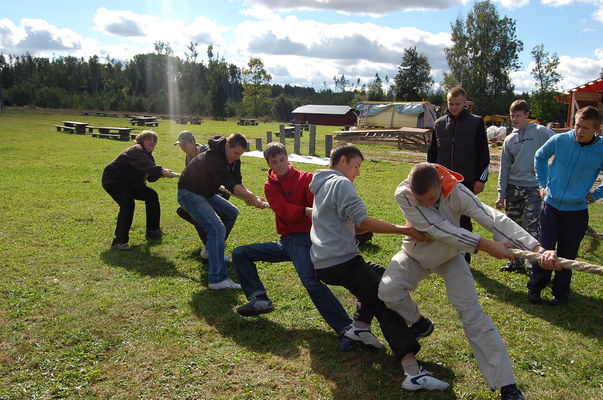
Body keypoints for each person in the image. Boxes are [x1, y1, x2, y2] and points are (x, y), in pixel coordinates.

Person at [379, 162, 551, 400]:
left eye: (431, 198)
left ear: (440, 184)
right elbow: (438, 228)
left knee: (473, 315)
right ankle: (419, 323)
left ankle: (507, 386)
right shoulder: (405, 194)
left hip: (451, 258)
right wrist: (487, 245)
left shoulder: (457, 191)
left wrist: (536, 247)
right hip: (415, 255)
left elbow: (492, 217)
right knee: (388, 290)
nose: (427, 204)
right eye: (423, 201)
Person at [309, 143, 449, 392]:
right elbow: (362, 222)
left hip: (324, 261)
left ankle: (360, 328)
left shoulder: (321, 184)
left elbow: (355, 226)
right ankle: (412, 372)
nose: (357, 173)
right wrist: (405, 229)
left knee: (379, 276)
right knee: (385, 300)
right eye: (356, 166)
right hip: (340, 261)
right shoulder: (341, 183)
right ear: (343, 161)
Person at [232, 142, 383, 349]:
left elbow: (322, 207)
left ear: (288, 158)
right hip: (287, 241)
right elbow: (283, 209)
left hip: (306, 237)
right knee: (240, 253)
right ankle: (259, 299)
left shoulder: (306, 178)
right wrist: (304, 211)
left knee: (311, 281)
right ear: (268, 164)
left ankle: (346, 327)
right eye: (274, 162)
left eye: (282, 160)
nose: (280, 165)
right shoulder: (270, 186)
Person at [527, 106, 603, 306]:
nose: (579, 131)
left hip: (577, 212)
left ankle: (560, 294)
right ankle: (535, 288)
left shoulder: (601, 149)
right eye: (577, 125)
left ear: (596, 129)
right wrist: (543, 184)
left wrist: (596, 194)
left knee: (567, 255)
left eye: (585, 128)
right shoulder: (560, 140)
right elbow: (540, 157)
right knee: (545, 251)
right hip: (551, 207)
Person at [177, 133, 267, 290]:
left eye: (240, 154)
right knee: (216, 228)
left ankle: (209, 251)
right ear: (227, 146)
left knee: (231, 212)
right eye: (235, 152)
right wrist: (251, 197)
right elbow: (230, 184)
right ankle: (217, 279)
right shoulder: (213, 157)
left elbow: (237, 182)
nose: (237, 157)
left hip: (205, 193)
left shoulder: (234, 160)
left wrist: (252, 197)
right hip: (189, 193)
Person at [428, 86, 490, 262]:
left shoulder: (476, 123)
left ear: (465, 104)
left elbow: (483, 154)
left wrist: (480, 179)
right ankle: (444, 256)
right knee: (442, 220)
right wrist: (431, 178)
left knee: (463, 221)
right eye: (451, 103)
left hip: (466, 183)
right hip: (441, 183)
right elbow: (431, 154)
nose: (454, 107)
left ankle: (464, 258)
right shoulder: (439, 124)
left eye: (457, 104)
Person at [496, 100, 554, 273]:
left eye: (518, 115)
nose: (515, 119)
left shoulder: (539, 131)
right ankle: (515, 262)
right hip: (513, 187)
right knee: (513, 226)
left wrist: (547, 173)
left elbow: (560, 146)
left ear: (527, 115)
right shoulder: (509, 139)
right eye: (512, 116)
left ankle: (532, 264)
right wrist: (501, 193)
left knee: (531, 226)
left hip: (533, 189)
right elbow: (504, 167)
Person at [102, 130, 177, 251]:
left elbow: (151, 176)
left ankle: (153, 230)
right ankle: (119, 242)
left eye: (154, 141)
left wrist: (161, 172)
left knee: (151, 195)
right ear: (141, 140)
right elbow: (146, 165)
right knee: (128, 203)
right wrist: (161, 170)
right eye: (149, 139)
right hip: (115, 182)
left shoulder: (148, 156)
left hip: (131, 184)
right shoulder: (136, 150)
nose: (152, 142)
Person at [174, 130, 229, 261]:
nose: (182, 148)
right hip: (200, 192)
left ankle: (212, 247)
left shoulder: (206, 152)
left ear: (193, 142)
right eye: (180, 145)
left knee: (224, 216)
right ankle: (211, 245)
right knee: (184, 212)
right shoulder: (188, 157)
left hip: (216, 192)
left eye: (184, 144)